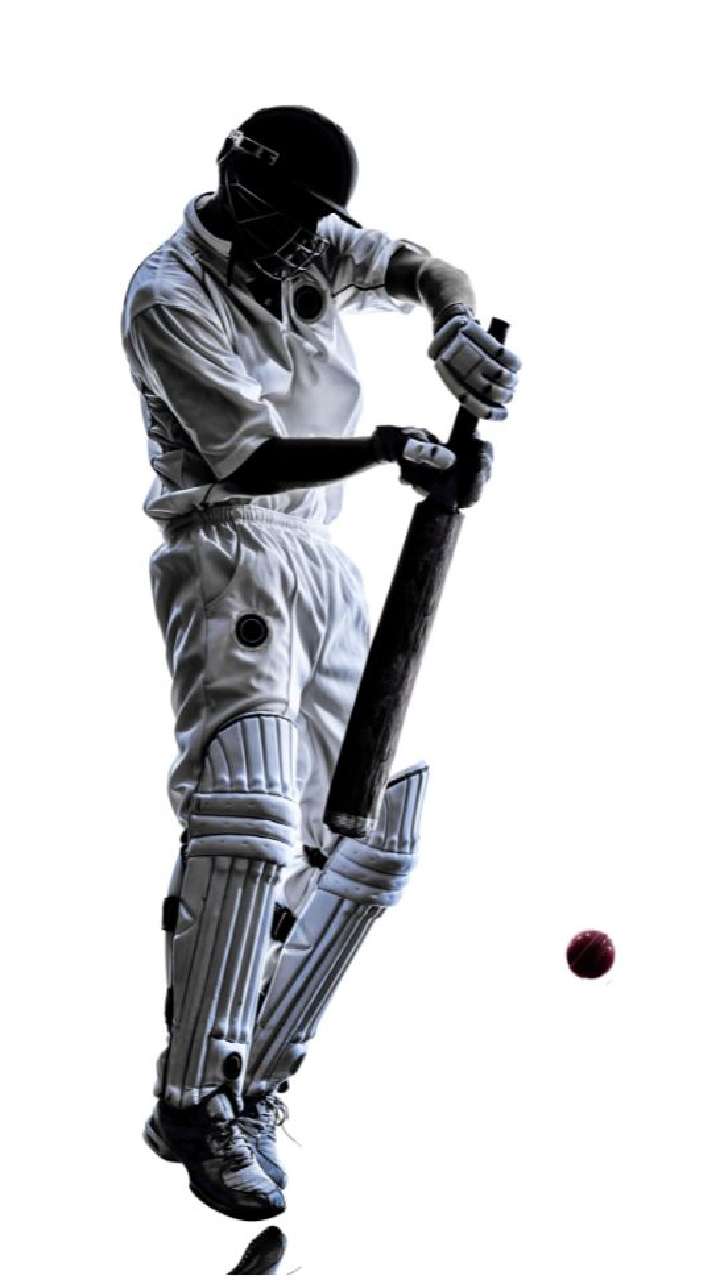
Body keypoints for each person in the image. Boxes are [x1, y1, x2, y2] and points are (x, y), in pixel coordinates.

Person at [121, 104, 520, 1222]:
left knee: (376, 834)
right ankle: (192, 1101)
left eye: (316, 225)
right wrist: (395, 449)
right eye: (293, 220)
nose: (309, 246)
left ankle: (251, 1084)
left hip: (323, 561)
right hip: (226, 549)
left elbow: (423, 266)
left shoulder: (306, 235)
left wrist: (454, 325)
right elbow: (248, 458)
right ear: (242, 187)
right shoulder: (168, 294)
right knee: (250, 813)